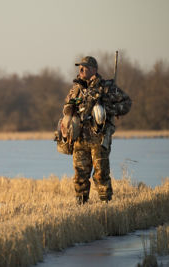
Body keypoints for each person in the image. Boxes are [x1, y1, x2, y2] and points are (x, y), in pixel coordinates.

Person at [62, 56, 131, 204]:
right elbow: (66, 108)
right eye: (80, 67)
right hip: (79, 140)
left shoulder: (106, 87)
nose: (81, 70)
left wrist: (108, 109)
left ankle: (105, 204)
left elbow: (127, 103)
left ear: (94, 69)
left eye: (84, 67)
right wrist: (68, 110)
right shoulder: (76, 89)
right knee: (80, 176)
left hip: (99, 140)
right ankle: (81, 204)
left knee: (101, 174)